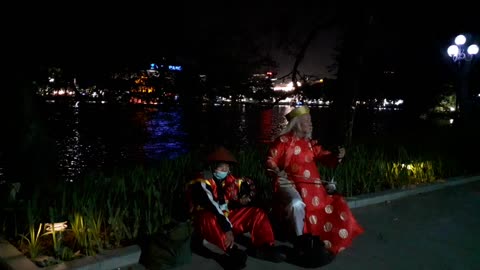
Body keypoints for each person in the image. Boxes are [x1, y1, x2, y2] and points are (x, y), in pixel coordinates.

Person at [266, 105, 364, 266]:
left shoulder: (310, 144)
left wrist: (337, 156)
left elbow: (325, 157)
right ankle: (300, 239)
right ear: (297, 123)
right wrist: (277, 170)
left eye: (310, 121)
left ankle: (321, 238)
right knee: (296, 204)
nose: (311, 124)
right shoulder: (283, 142)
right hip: (289, 183)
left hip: (313, 188)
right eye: (307, 121)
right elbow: (270, 159)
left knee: (330, 205)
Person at [186, 146, 285, 269]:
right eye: (221, 167)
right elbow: (211, 205)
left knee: (257, 213)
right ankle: (230, 250)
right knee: (209, 218)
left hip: (225, 217)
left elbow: (231, 199)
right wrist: (227, 228)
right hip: (206, 219)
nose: (225, 170)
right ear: (212, 166)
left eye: (227, 167)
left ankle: (264, 247)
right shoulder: (202, 180)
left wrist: (241, 201)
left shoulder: (229, 179)